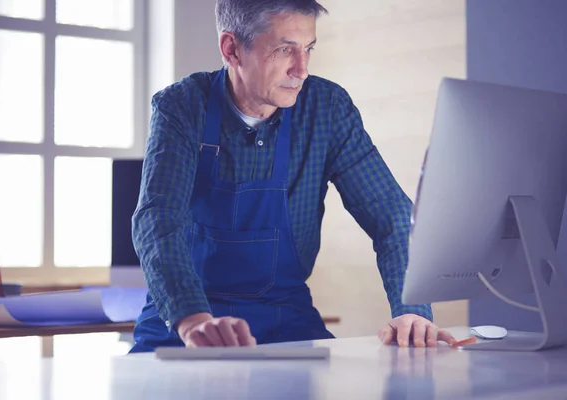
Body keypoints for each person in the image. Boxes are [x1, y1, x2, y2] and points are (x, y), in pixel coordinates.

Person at [129, 0, 457, 352]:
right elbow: (158, 219)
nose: (301, 69)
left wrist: (413, 313)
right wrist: (192, 320)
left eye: (308, 49)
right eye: (285, 49)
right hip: (186, 319)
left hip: (284, 318)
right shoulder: (181, 105)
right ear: (232, 49)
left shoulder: (327, 108)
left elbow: (391, 215)